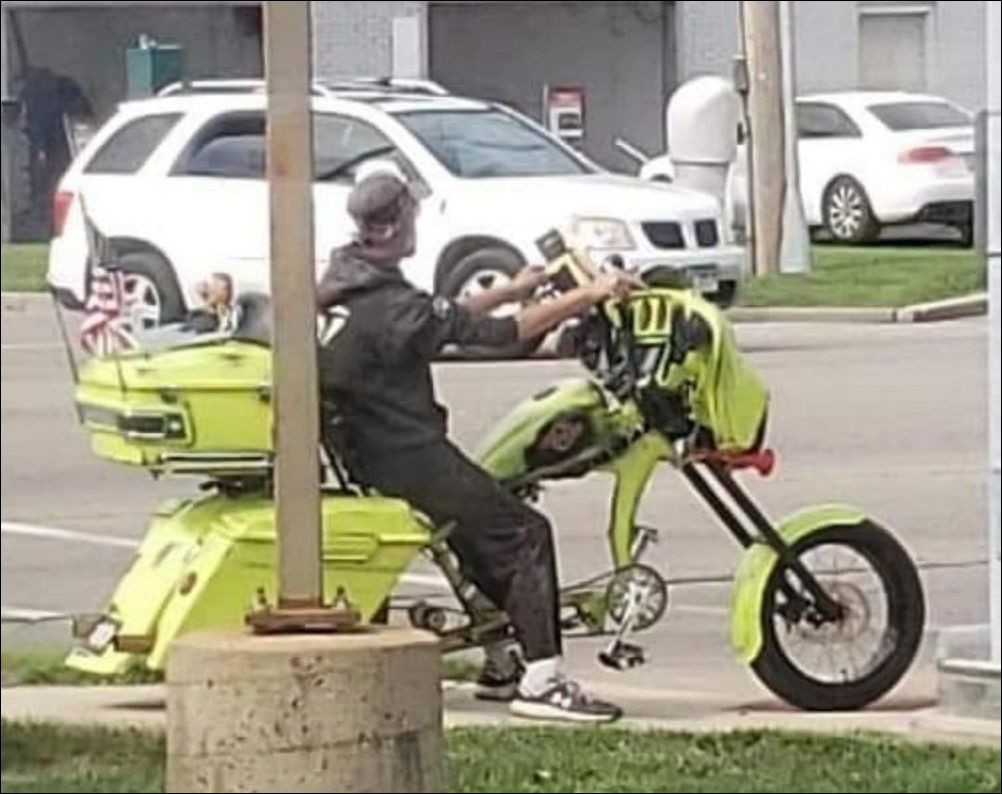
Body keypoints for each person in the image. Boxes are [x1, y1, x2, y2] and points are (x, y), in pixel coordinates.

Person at [316, 169, 634, 723]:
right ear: (392, 227)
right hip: (407, 456)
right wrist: (590, 293)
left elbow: (442, 318)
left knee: (479, 527)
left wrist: (512, 291)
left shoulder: (347, 284)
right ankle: (544, 681)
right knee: (524, 533)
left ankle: (501, 658)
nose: (416, 222)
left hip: (368, 453)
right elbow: (500, 336)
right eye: (412, 213)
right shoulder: (392, 306)